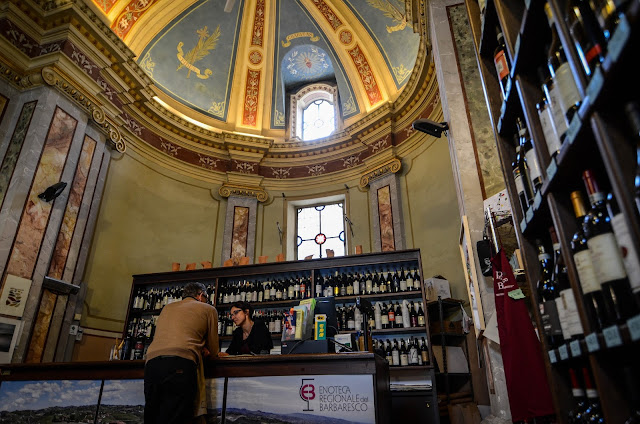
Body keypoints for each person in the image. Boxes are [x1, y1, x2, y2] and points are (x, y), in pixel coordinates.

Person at [144, 282, 219, 424]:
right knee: (177, 416)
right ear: (201, 295)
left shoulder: (167, 308)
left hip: (151, 363)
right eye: (207, 298)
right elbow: (214, 350)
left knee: (152, 414)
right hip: (180, 362)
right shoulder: (208, 309)